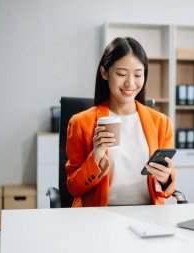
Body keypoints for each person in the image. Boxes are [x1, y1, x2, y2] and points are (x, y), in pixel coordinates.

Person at [65, 37, 175, 207]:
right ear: (104, 72)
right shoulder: (81, 123)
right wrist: (96, 155)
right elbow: (73, 188)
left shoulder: (161, 123)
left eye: (138, 74)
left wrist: (166, 178)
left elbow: (167, 188)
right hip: (99, 217)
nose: (130, 83)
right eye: (122, 74)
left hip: (148, 216)